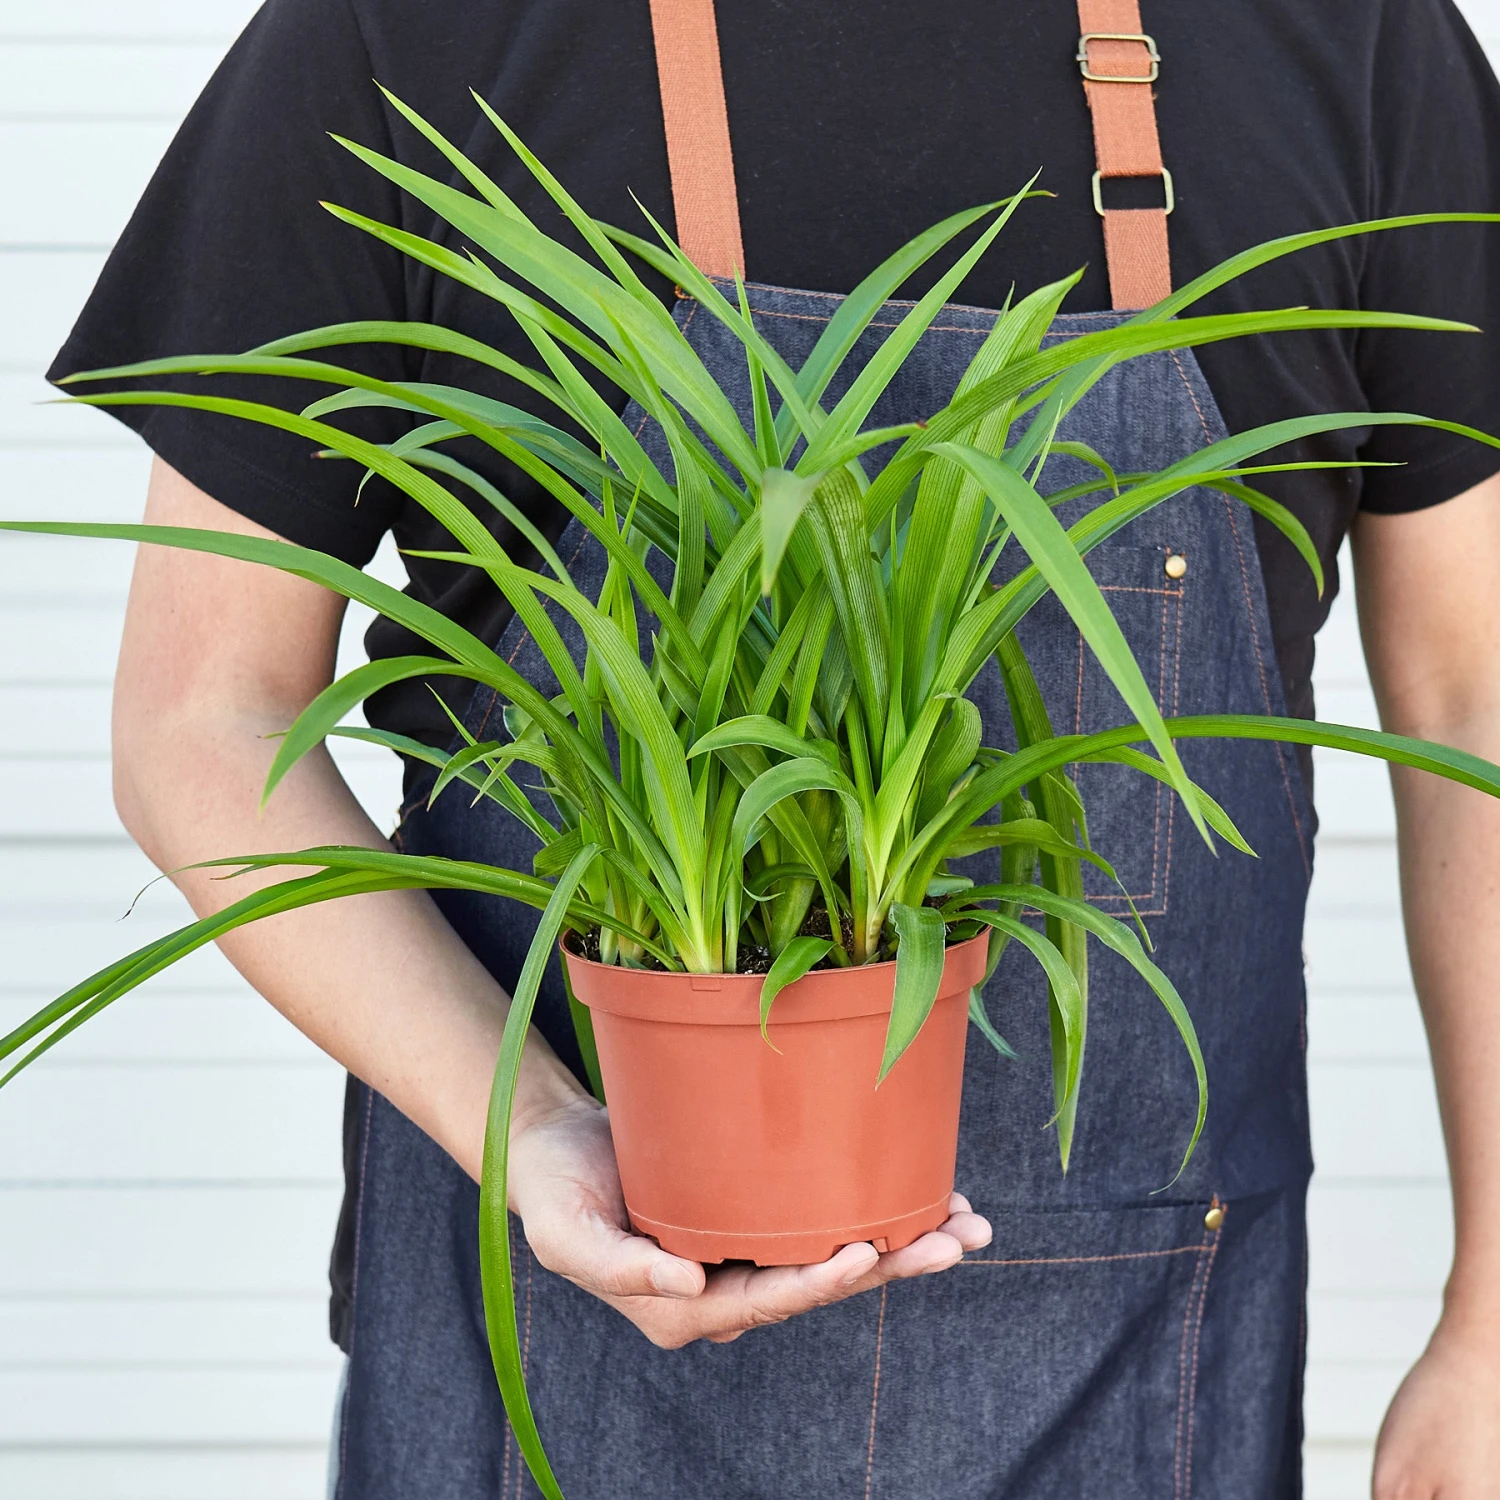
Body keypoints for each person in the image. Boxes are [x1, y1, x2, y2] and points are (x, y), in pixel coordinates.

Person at [48, 0, 1500, 1494]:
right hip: (553, 1360)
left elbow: (1474, 705)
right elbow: (203, 718)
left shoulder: (1353, 35)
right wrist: (537, 1122)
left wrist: (1495, 1322)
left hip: (1136, 1381)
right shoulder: (418, 31)